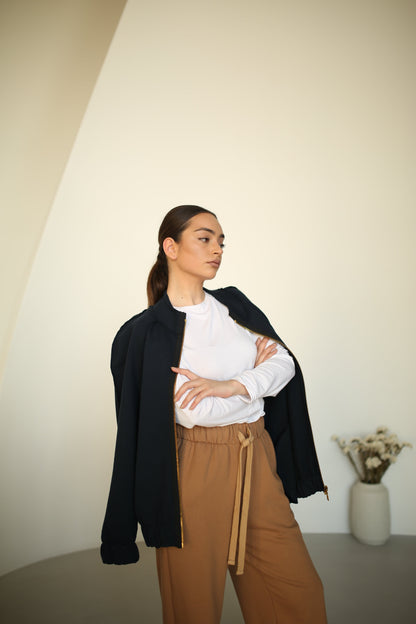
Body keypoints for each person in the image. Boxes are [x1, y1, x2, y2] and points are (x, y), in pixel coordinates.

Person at [101, 205, 328, 623]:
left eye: (221, 241)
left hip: (256, 456)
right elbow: (194, 412)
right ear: (171, 247)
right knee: (194, 606)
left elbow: (284, 364)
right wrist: (255, 380)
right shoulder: (148, 332)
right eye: (205, 239)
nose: (217, 249)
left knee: (298, 592)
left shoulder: (233, 306)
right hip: (193, 468)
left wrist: (232, 385)